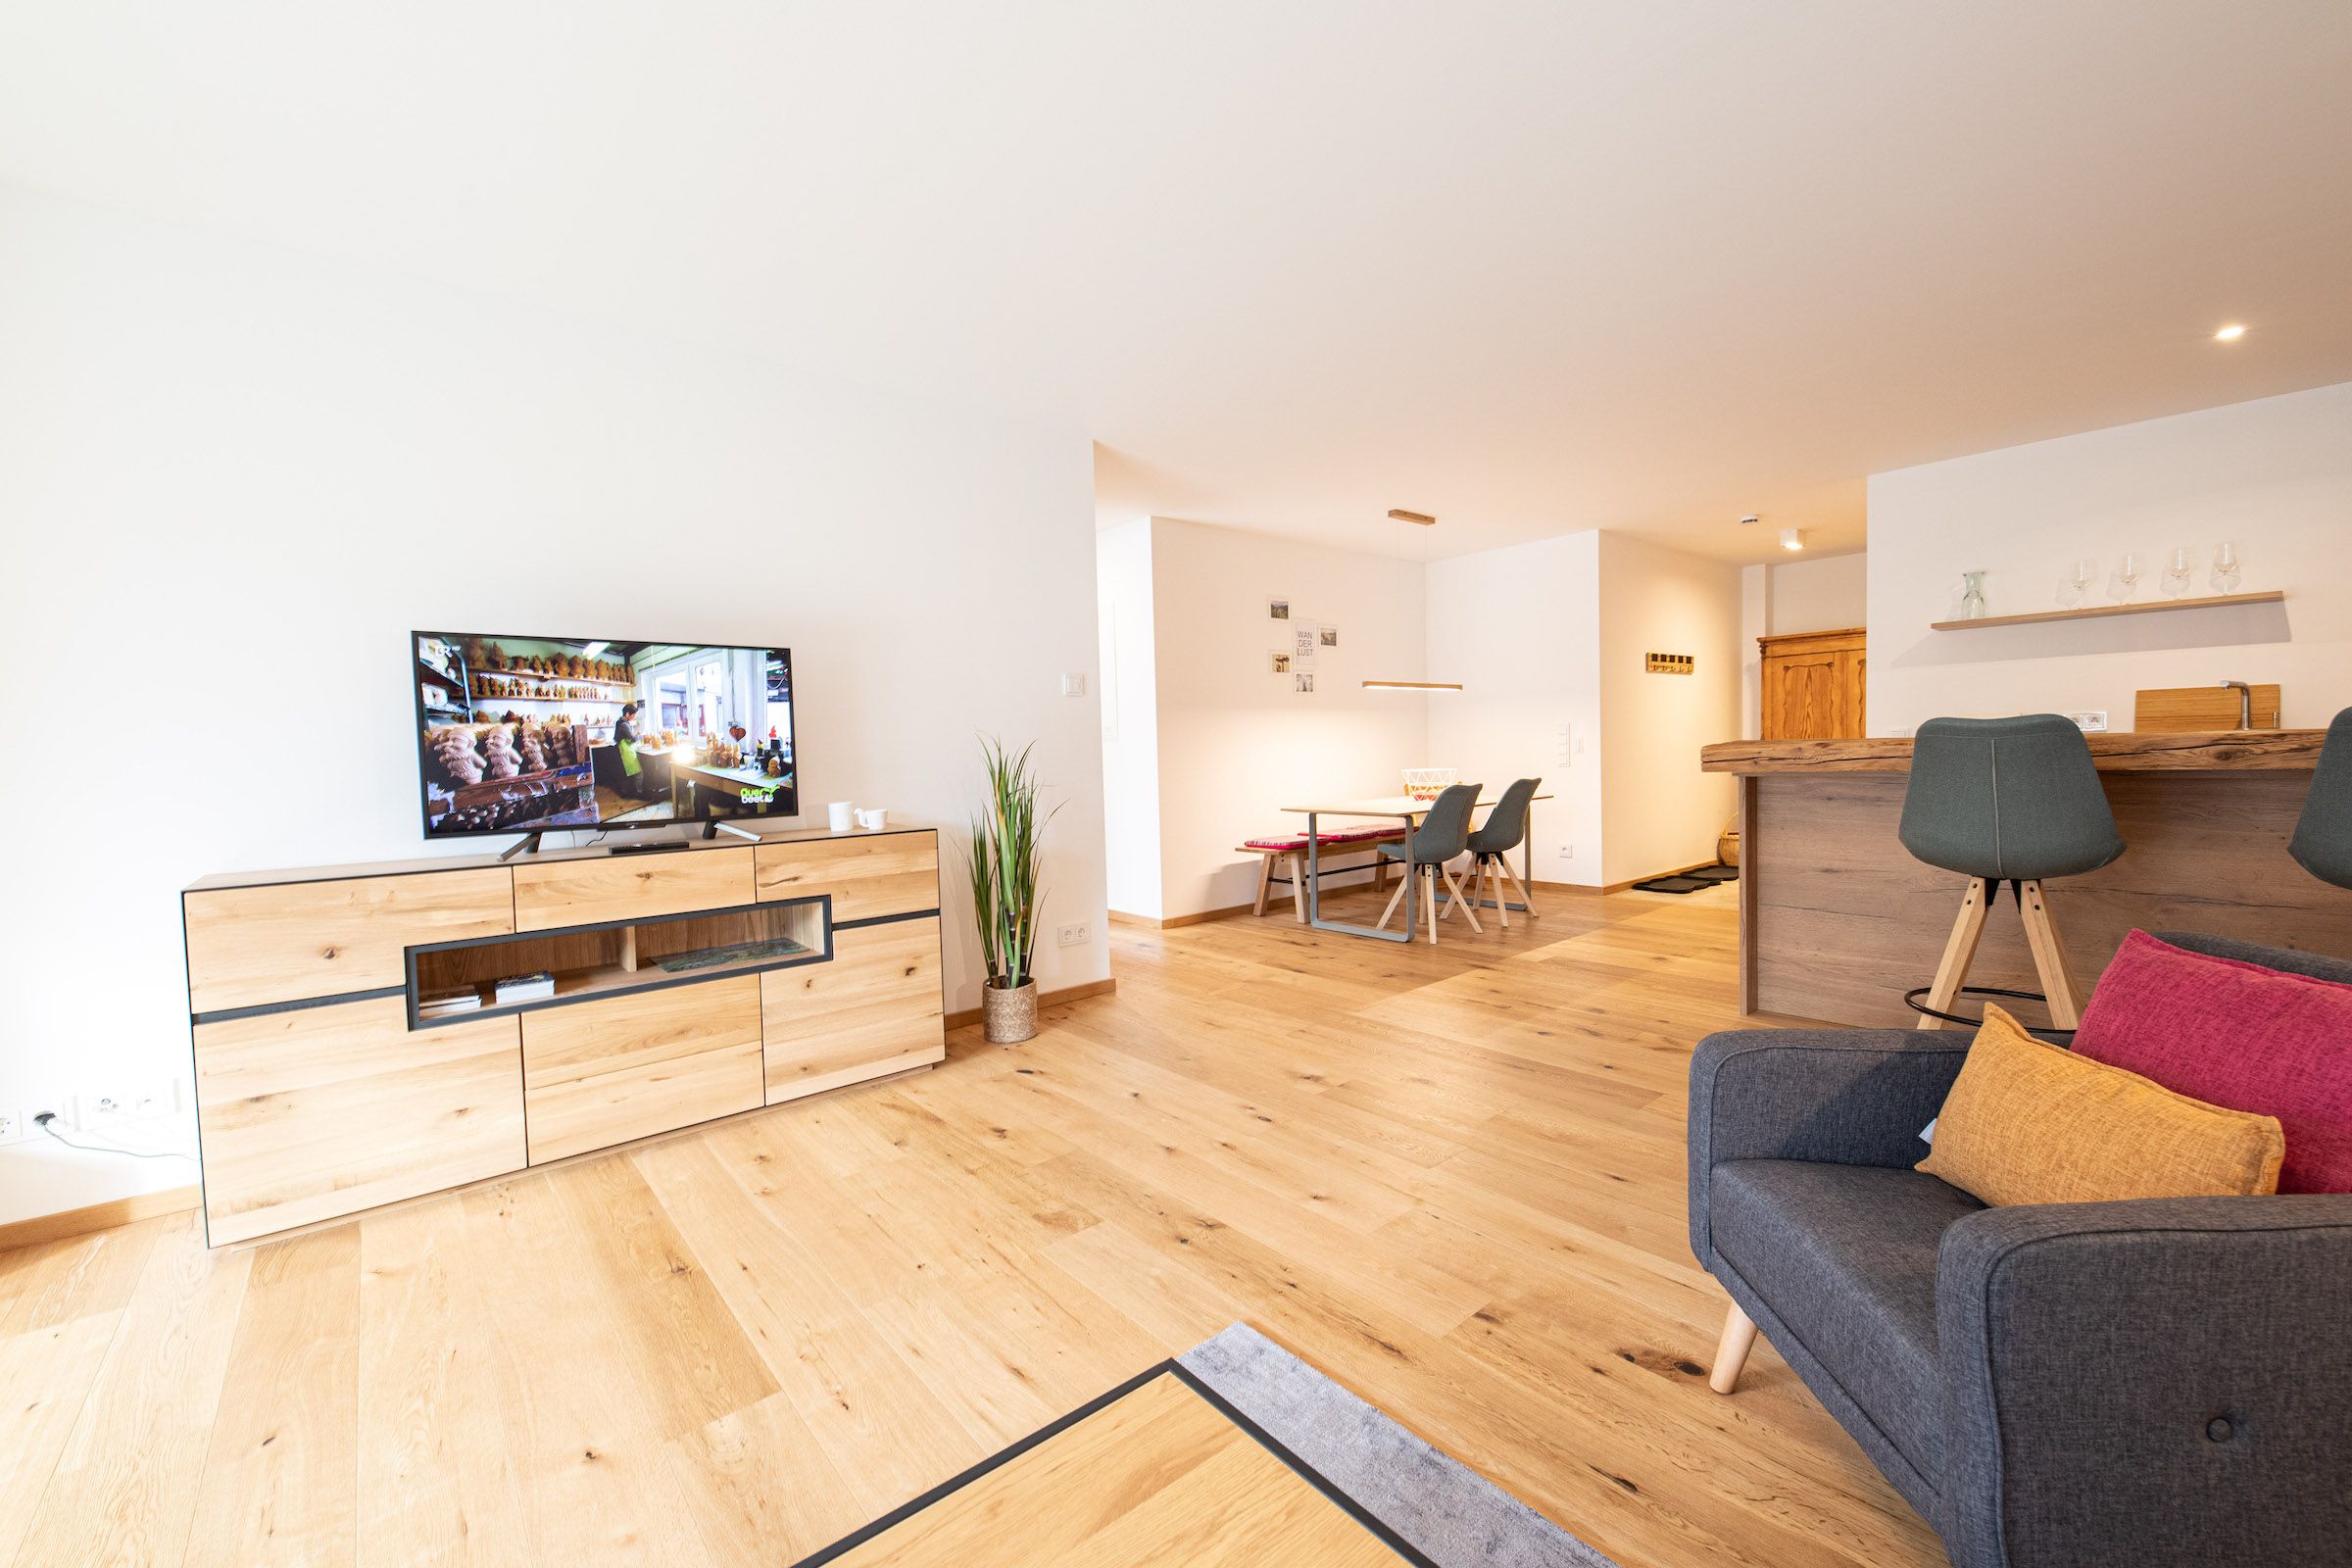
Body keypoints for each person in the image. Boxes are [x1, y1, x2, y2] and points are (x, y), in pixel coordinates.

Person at [614, 701, 645, 800]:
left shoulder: (619, 722)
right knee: (638, 773)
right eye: (633, 715)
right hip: (626, 752)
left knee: (625, 773)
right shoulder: (624, 724)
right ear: (627, 714)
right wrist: (640, 735)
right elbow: (633, 739)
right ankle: (638, 794)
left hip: (623, 750)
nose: (634, 717)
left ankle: (625, 793)